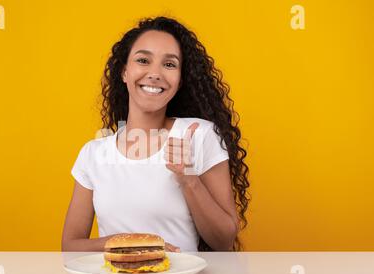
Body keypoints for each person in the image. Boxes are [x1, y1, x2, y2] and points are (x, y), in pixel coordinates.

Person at [62, 16, 250, 252]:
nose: (155, 73)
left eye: (169, 64)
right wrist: (128, 243)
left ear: (180, 80)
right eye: (143, 60)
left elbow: (223, 241)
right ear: (124, 73)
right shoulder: (94, 153)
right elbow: (70, 247)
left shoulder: (197, 135)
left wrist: (188, 179)